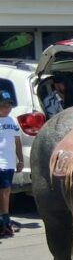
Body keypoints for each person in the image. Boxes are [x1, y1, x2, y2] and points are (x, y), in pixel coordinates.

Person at [0, 93, 23, 239]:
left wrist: (20, 159)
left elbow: (17, 142)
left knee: (6, 191)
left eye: (9, 105)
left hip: (9, 161)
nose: (8, 108)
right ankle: (5, 220)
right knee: (5, 190)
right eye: (4, 105)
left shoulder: (13, 121)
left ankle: (4, 218)